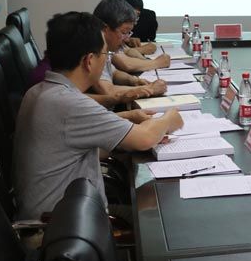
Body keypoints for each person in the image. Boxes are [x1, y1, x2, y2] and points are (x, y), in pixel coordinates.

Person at [13, 12, 183, 222]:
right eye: (105, 54)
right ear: (89, 61)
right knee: (163, 216)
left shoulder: (40, 92)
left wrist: (129, 122)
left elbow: (78, 144)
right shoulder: (69, 104)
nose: (107, 61)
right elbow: (145, 138)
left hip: (61, 213)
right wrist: (169, 118)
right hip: (65, 227)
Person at [89, 0, 167, 107]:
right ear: (105, 29)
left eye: (129, 33)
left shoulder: (104, 47)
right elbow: (107, 91)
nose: (126, 39)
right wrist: (149, 89)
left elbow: (113, 72)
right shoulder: (92, 50)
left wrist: (133, 80)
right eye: (124, 32)